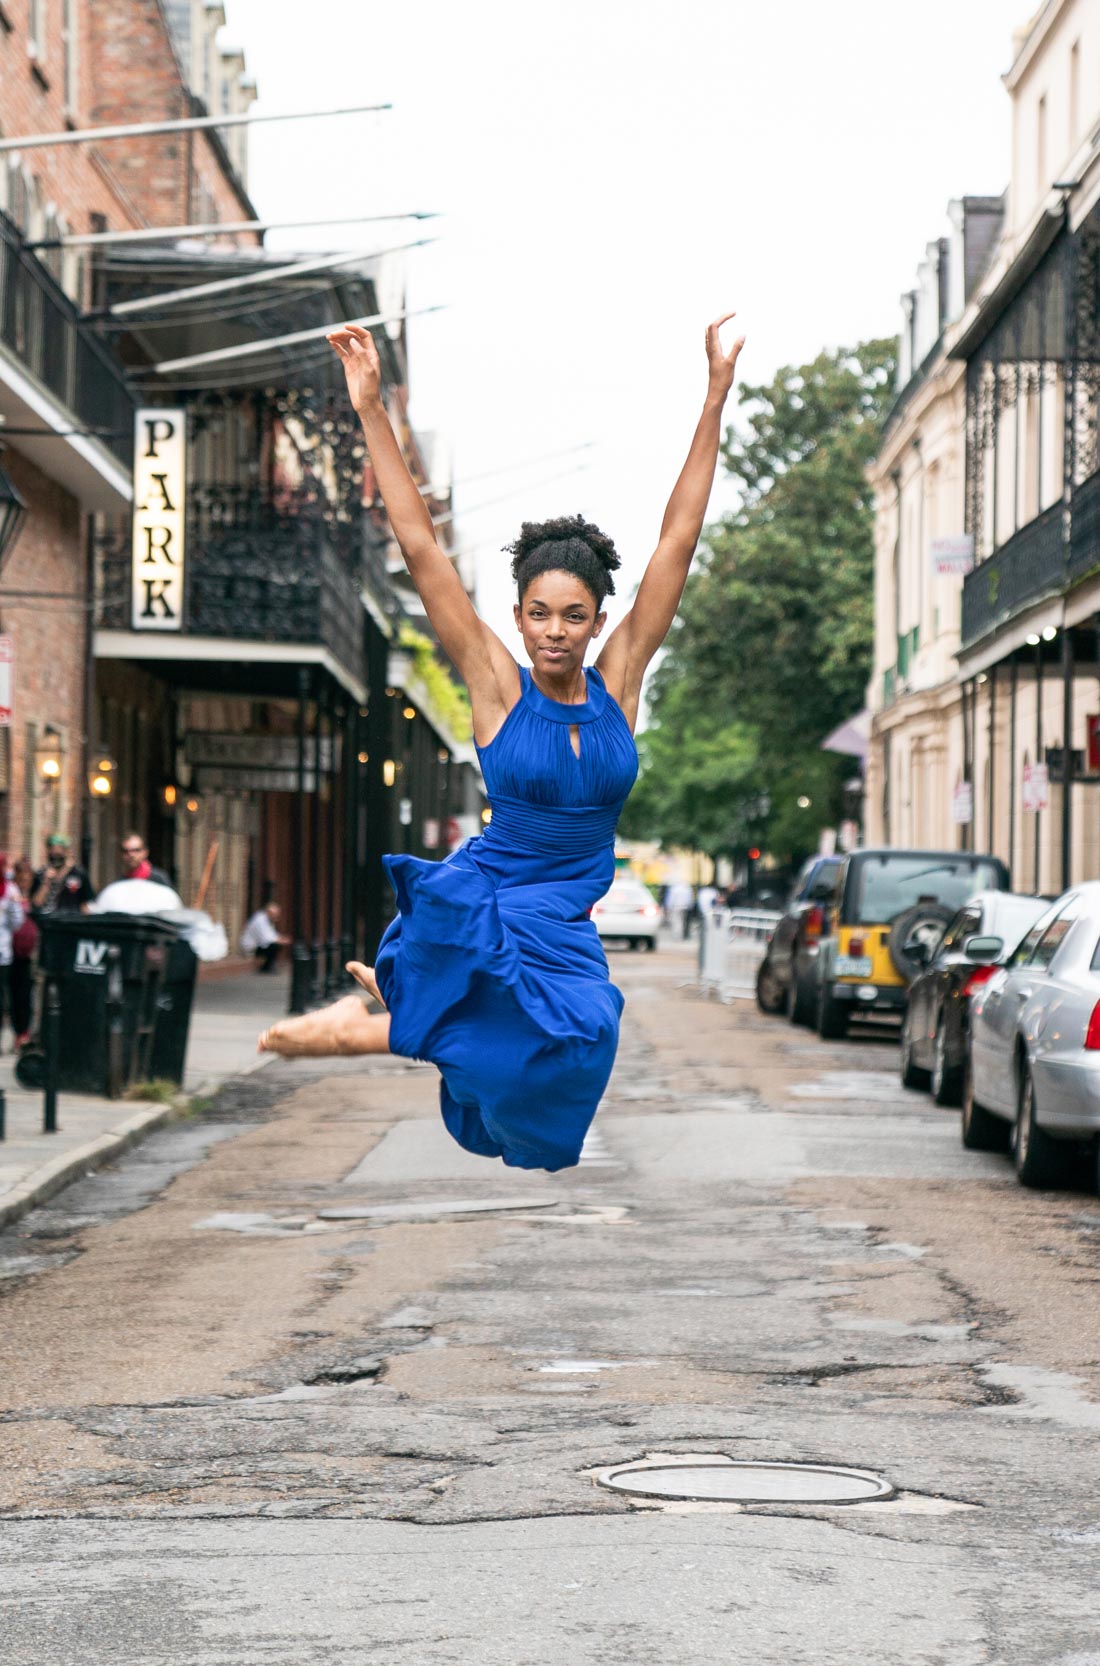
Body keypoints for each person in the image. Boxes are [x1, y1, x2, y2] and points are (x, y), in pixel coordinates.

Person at [258, 312, 745, 1172]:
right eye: (538, 614)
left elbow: (679, 539)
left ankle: (409, 1004)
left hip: (566, 914)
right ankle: (404, 1008)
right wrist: (370, 406)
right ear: (518, 614)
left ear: (599, 622)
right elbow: (419, 545)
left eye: (574, 617)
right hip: (503, 891)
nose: (554, 633)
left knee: (587, 1036)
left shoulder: (620, 681)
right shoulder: (494, 681)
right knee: (524, 1006)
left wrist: (713, 398)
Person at [31, 833, 95, 916]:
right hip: (46, 922)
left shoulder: (78, 874)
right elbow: (36, 903)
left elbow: (85, 905)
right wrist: (46, 882)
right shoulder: (40, 874)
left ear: (66, 851)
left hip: (70, 922)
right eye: (53, 850)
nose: (56, 854)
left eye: (60, 850)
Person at [9, 856, 35, 1046]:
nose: (24, 881)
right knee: (11, 995)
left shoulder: (34, 897)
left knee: (25, 995)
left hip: (29, 954)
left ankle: (23, 1033)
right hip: (10, 952)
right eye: (21, 877)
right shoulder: (10, 894)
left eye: (28, 878)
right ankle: (17, 1031)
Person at [241, 902, 290, 972]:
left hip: (258, 945)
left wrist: (281, 939)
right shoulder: (260, 920)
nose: (276, 917)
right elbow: (266, 939)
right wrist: (281, 940)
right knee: (274, 946)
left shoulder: (267, 920)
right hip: (251, 947)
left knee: (277, 944)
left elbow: (272, 935)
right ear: (270, 913)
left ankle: (268, 965)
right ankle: (266, 967)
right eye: (275, 915)